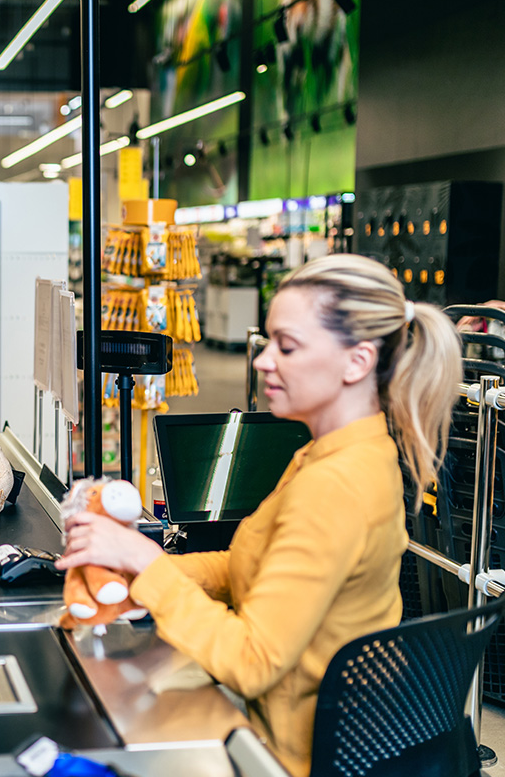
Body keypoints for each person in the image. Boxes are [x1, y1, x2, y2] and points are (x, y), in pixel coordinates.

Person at [57, 253, 462, 777]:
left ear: (357, 362)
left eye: (287, 346)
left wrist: (148, 566)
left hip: (290, 753)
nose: (263, 360)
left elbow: (252, 661)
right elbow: (251, 563)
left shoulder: (336, 485)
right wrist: (143, 567)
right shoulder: (337, 451)